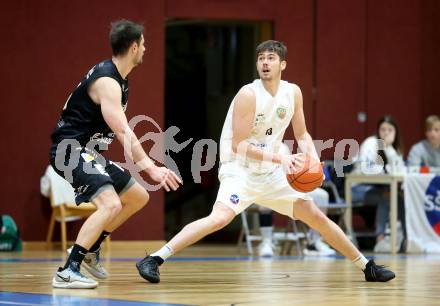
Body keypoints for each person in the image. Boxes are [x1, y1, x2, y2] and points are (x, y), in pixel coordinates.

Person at [136, 40, 395, 283]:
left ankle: (367, 267)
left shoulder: (293, 93)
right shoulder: (248, 95)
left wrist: (316, 163)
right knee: (218, 219)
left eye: (271, 58)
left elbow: (302, 134)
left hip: (271, 171)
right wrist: (280, 158)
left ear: (282, 64)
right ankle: (155, 258)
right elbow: (239, 144)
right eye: (261, 58)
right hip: (240, 169)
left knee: (315, 215)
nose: (265, 63)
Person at [49, 20, 181, 289]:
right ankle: (68, 270)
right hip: (70, 149)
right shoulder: (108, 81)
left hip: (87, 152)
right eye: (144, 44)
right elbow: (123, 132)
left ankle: (90, 250)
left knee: (137, 196)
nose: (146, 48)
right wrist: (150, 167)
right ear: (134, 47)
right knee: (111, 203)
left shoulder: (119, 78)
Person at [353, 115, 406, 252]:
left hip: (378, 189)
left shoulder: (395, 149)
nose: (386, 133)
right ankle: (380, 239)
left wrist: (389, 148)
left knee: (401, 199)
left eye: (390, 130)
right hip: (357, 188)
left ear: (395, 132)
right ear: (378, 131)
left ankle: (406, 238)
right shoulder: (371, 143)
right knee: (386, 197)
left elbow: (399, 171)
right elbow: (366, 169)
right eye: (383, 129)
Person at [257, 187, 336, 257]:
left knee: (322, 195)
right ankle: (266, 241)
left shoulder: (338, 170)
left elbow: (333, 174)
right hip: (274, 187)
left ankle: (313, 242)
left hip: (296, 186)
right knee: (265, 198)